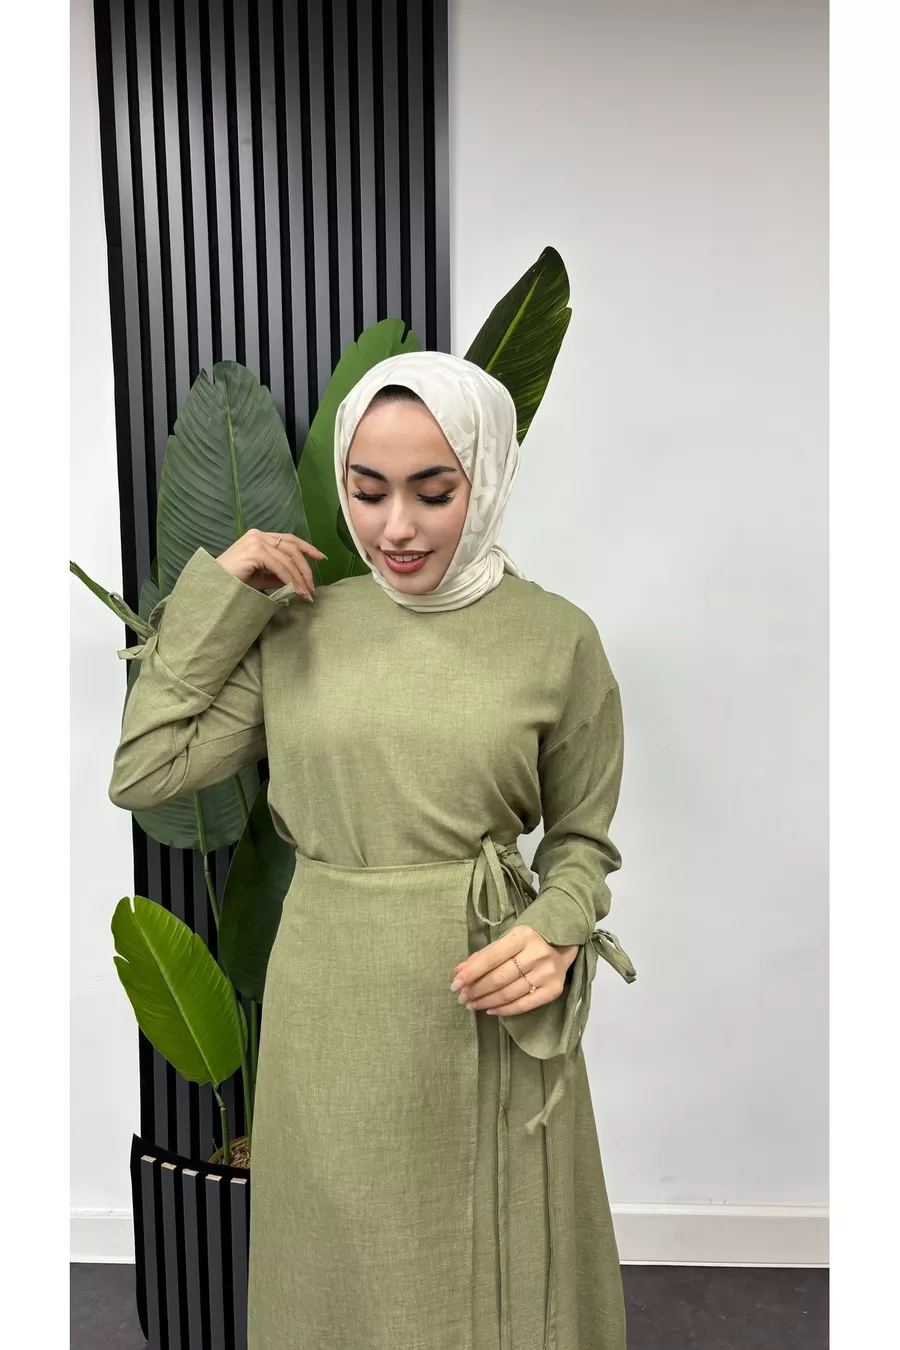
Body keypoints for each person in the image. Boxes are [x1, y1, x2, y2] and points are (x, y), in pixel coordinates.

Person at [109, 349, 636, 1350]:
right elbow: (146, 769)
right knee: (334, 1261)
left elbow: (581, 840)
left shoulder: (557, 639)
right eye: (368, 490)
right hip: (330, 998)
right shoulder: (300, 629)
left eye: (434, 493)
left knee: (484, 1271)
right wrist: (221, 593)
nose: (396, 527)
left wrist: (559, 927)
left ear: (486, 479)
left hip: (481, 990)